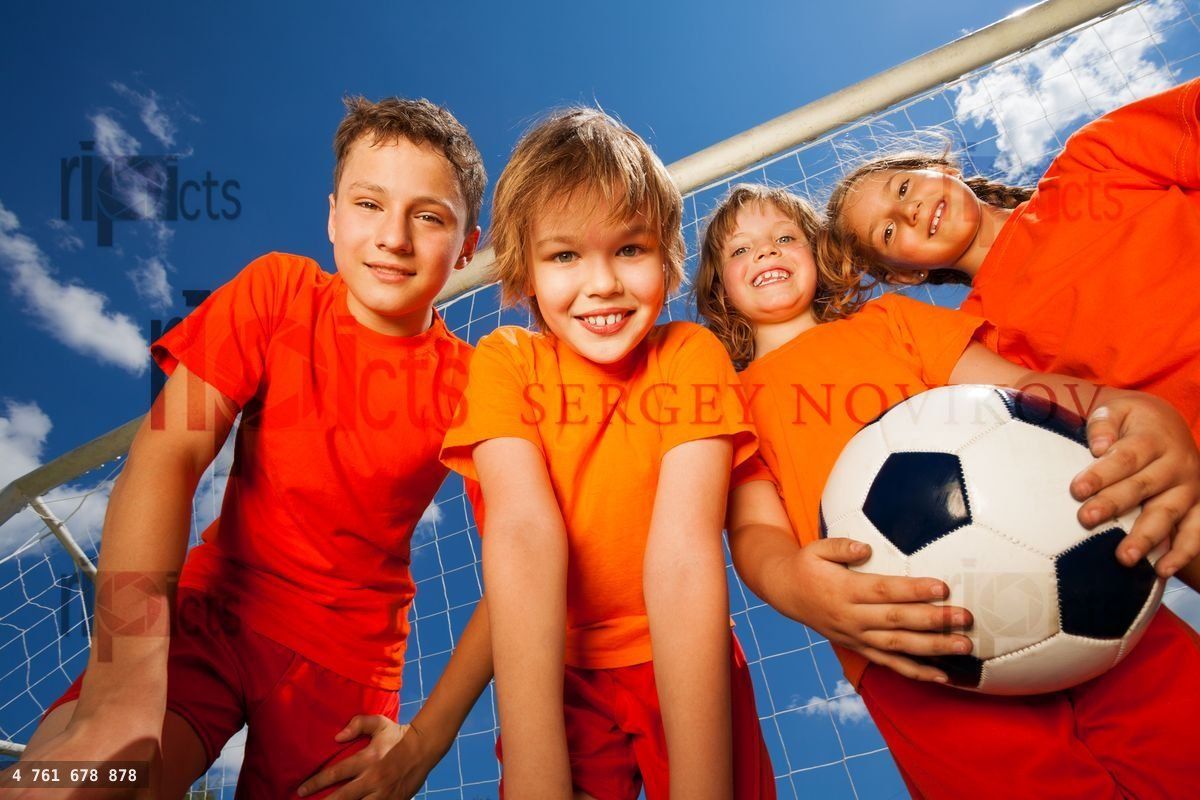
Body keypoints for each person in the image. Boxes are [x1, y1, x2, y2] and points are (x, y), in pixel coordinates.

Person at [13, 96, 491, 800]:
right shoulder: (278, 291)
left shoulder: (475, 382)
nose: (393, 237)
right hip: (213, 613)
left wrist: (427, 741)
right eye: (369, 204)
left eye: (429, 217)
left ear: (468, 245)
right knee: (84, 776)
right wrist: (120, 690)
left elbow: (523, 558)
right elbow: (166, 456)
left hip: (347, 670)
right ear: (333, 216)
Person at [693, 182, 1200, 799]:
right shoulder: (731, 402)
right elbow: (755, 528)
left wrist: (1125, 408)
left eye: (784, 237)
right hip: (910, 646)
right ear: (718, 288)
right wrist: (794, 587)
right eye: (740, 249)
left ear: (819, 253)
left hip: (1088, 572)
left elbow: (1027, 393)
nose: (766, 253)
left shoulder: (891, 323)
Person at [439, 108, 776, 800]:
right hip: (556, 667)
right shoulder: (506, 362)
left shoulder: (689, 354)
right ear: (526, 271)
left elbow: (684, 554)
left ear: (667, 258)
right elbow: (523, 534)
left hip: (684, 654)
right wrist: (534, 769)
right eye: (565, 256)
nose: (602, 284)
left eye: (629, 249)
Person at [821, 78, 1200, 582]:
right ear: (904, 275)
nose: (907, 211)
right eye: (887, 231)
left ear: (944, 169)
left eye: (904, 188)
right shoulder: (980, 346)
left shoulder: (1094, 160)